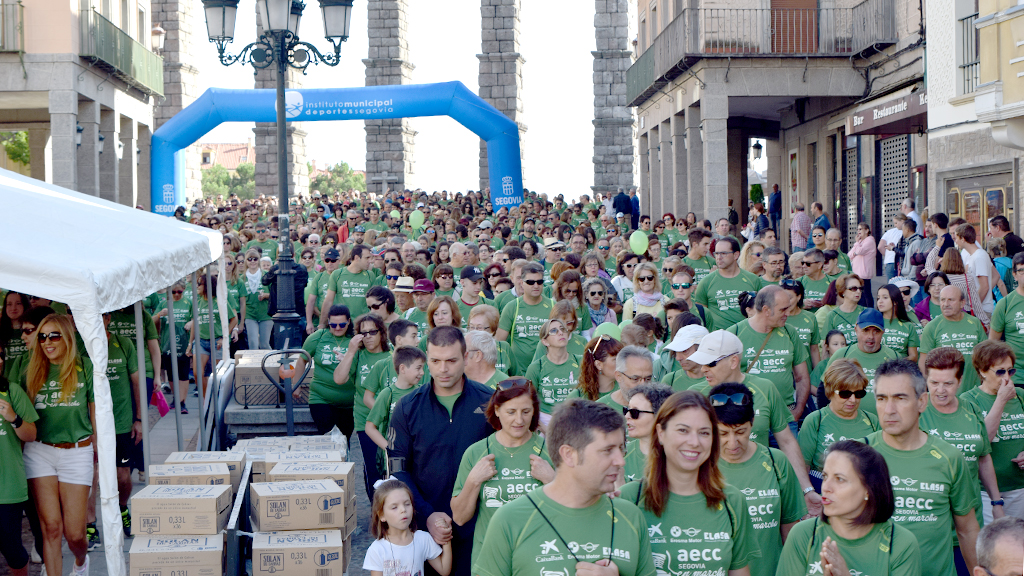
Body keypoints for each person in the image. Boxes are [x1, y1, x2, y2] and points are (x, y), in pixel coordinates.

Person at [474, 398, 656, 576]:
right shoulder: (510, 520)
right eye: (607, 450)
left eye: (621, 448)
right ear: (569, 455)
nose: (620, 461)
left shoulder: (631, 517)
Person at [389, 326, 494, 576]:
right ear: (427, 359)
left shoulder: (489, 402)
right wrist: (426, 515)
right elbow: (397, 469)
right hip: (424, 530)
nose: (443, 369)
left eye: (451, 360)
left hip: (479, 527)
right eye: (435, 361)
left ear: (466, 358)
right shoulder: (407, 407)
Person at [619, 391, 759, 576]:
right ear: (661, 433)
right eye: (683, 430)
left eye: (704, 432)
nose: (694, 442)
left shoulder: (732, 501)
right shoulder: (629, 499)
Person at [687, 330, 822, 515]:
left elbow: (787, 441)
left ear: (733, 361)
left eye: (710, 363)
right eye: (702, 363)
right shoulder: (695, 396)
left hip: (761, 491)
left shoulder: (765, 388)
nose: (703, 369)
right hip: (714, 489)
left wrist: (806, 490)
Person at [867, 358, 981, 576]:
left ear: (922, 401)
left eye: (900, 398)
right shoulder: (859, 456)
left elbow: (967, 530)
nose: (889, 409)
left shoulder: (949, 458)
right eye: (881, 398)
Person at [775, 440, 921, 576]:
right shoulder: (803, 535)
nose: (826, 487)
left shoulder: (901, 544)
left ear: (868, 489)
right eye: (825, 476)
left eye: (839, 479)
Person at [450, 378, 555, 565]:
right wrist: (473, 481)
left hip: (539, 558)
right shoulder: (476, 452)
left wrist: (552, 480)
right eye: (511, 412)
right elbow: (459, 517)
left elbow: (573, 510)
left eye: (526, 411)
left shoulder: (551, 451)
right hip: (491, 560)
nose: (519, 420)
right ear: (497, 410)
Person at [921, 346, 1005, 567]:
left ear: (960, 381)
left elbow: (984, 458)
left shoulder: (972, 409)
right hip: (931, 526)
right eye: (934, 383)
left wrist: (996, 503)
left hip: (969, 523)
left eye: (948, 383)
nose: (940, 390)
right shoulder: (916, 411)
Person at [22, 314, 93, 576]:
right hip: (39, 452)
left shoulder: (85, 367)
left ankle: (80, 562)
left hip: (77, 451)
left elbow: (96, 415)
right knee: (51, 527)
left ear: (67, 337)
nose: (47, 342)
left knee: (75, 534)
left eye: (54, 335)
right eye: (42, 336)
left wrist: (100, 453)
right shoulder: (29, 369)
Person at [713, 383, 807, 576]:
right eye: (723, 433)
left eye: (740, 432)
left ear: (753, 422)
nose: (732, 443)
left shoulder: (776, 461)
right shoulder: (700, 467)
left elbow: (790, 529)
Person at [959, 340, 1024, 521]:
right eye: (1000, 371)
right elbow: (981, 442)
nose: (1007, 378)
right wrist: (1001, 401)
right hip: (984, 491)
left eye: (1010, 371)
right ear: (982, 371)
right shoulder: (969, 400)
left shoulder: (1020, 396)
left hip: (1018, 485)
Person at [726, 286, 810, 421]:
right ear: (766, 310)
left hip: (786, 416)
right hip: (749, 415)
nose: (788, 313)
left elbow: (802, 377)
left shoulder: (790, 332)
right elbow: (724, 379)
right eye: (783, 310)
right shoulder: (734, 333)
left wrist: (798, 410)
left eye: (788, 308)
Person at [799, 359, 879, 491]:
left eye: (859, 393)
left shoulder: (872, 421)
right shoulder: (815, 421)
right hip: (823, 492)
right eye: (845, 394)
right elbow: (802, 468)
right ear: (831, 391)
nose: (852, 400)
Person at [364, 478, 453, 576]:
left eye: (407, 504)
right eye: (394, 507)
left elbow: (444, 570)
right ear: (381, 515)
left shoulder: (423, 538)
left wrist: (446, 536)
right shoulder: (377, 550)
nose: (403, 510)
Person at [363, 344, 428, 479]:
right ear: (402, 368)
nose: (422, 372)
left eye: (423, 367)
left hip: (420, 456)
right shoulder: (388, 394)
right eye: (418, 368)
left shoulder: (423, 392)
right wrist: (388, 448)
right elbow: (370, 427)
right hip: (396, 460)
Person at [825, 308, 899, 415]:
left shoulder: (894, 357)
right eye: (866, 330)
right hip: (846, 422)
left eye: (876, 331)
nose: (870, 337)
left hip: (884, 423)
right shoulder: (842, 355)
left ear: (883, 332)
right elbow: (825, 390)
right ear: (856, 330)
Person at [920, 286, 989, 392]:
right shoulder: (932, 327)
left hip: (974, 393)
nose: (946, 304)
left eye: (951, 300)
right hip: (944, 395)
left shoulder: (975, 323)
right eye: (942, 300)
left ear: (962, 303)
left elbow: (985, 357)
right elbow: (923, 364)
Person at [495, 262, 553, 376]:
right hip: (519, 372)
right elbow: (499, 342)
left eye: (539, 282)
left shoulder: (553, 306)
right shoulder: (512, 307)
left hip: (546, 371)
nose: (536, 285)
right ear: (521, 283)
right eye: (531, 282)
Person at [694, 237, 766, 329]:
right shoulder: (706, 282)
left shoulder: (753, 279)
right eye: (716, 254)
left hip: (746, 336)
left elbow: (761, 310)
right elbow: (701, 315)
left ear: (736, 255)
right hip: (718, 338)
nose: (719, 257)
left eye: (723, 253)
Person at [524, 319, 580, 421]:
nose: (560, 332)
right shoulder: (536, 367)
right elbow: (527, 402)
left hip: (577, 419)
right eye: (554, 331)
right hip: (546, 421)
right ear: (545, 341)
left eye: (562, 329)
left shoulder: (581, 362)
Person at [621, 383, 674, 483]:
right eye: (626, 410)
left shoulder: (678, 457)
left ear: (660, 416)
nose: (627, 416)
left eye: (634, 412)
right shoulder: (621, 454)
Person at [318, 244, 376, 327]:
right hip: (342, 325)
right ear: (357, 258)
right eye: (367, 258)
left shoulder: (370, 275)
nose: (370, 261)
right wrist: (322, 324)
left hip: (364, 325)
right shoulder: (337, 274)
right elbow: (328, 300)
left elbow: (375, 302)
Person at [956, 223, 997, 317]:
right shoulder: (974, 256)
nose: (956, 241)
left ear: (963, 239)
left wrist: (973, 308)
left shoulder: (979, 256)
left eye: (957, 238)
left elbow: (984, 286)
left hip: (981, 311)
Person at [876, 283, 921, 360]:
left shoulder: (908, 325)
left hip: (900, 369)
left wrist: (895, 363)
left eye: (885, 297)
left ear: (895, 301)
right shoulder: (873, 323)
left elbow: (914, 356)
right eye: (878, 298)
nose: (880, 301)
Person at [240, 248, 273, 349]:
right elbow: (241, 300)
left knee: (264, 344)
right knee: (253, 343)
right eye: (249, 259)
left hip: (265, 314)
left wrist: (266, 295)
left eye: (255, 259)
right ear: (246, 261)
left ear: (259, 260)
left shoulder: (266, 275)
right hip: (250, 314)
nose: (252, 261)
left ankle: (269, 363)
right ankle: (254, 364)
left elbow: (275, 295)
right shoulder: (242, 278)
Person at [574, 334, 623, 401]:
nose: (622, 363)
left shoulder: (627, 392)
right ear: (599, 364)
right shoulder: (577, 396)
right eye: (615, 359)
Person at [824, 273, 865, 345]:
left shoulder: (866, 312)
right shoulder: (832, 315)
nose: (858, 291)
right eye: (854, 289)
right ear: (843, 291)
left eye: (860, 288)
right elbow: (825, 344)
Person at [879, 213, 909, 279]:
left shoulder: (890, 232)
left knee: (891, 285)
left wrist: (887, 254)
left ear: (902, 221)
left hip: (890, 261)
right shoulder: (907, 232)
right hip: (902, 262)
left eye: (896, 223)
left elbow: (880, 246)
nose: (895, 225)